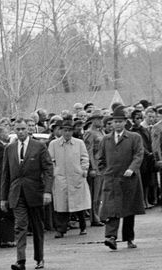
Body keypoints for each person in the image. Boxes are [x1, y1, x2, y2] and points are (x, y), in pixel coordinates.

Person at [0, 117, 53, 270]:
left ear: (28, 129)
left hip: (35, 192)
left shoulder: (39, 147)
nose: (21, 132)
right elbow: (5, 174)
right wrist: (3, 198)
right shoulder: (9, 149)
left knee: (37, 227)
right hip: (17, 193)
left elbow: (48, 170)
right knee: (20, 226)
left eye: (23, 129)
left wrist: (47, 191)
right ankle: (20, 260)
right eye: (18, 129)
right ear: (13, 130)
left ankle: (39, 258)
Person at [98, 107, 145, 250]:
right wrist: (105, 172)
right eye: (115, 122)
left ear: (125, 122)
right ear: (111, 123)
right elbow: (100, 159)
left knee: (128, 209)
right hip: (112, 179)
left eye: (120, 122)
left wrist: (132, 168)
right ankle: (111, 237)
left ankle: (129, 238)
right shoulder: (106, 139)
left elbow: (139, 154)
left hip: (129, 179)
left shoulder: (134, 137)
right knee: (111, 208)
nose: (117, 124)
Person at [48, 118, 91, 238]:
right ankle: (61, 229)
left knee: (78, 203)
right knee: (61, 204)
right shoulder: (54, 144)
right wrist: (54, 171)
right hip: (61, 177)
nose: (67, 133)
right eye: (65, 130)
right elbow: (50, 160)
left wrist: (84, 169)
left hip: (76, 176)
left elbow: (84, 157)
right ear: (61, 131)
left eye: (70, 131)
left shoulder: (79, 143)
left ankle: (82, 226)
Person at [83, 109, 106, 226]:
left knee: (101, 193)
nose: (101, 121)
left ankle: (99, 214)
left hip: (103, 166)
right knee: (95, 194)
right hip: (96, 166)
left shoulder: (101, 132)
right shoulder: (89, 133)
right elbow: (88, 151)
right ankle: (94, 217)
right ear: (93, 120)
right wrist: (92, 167)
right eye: (99, 118)